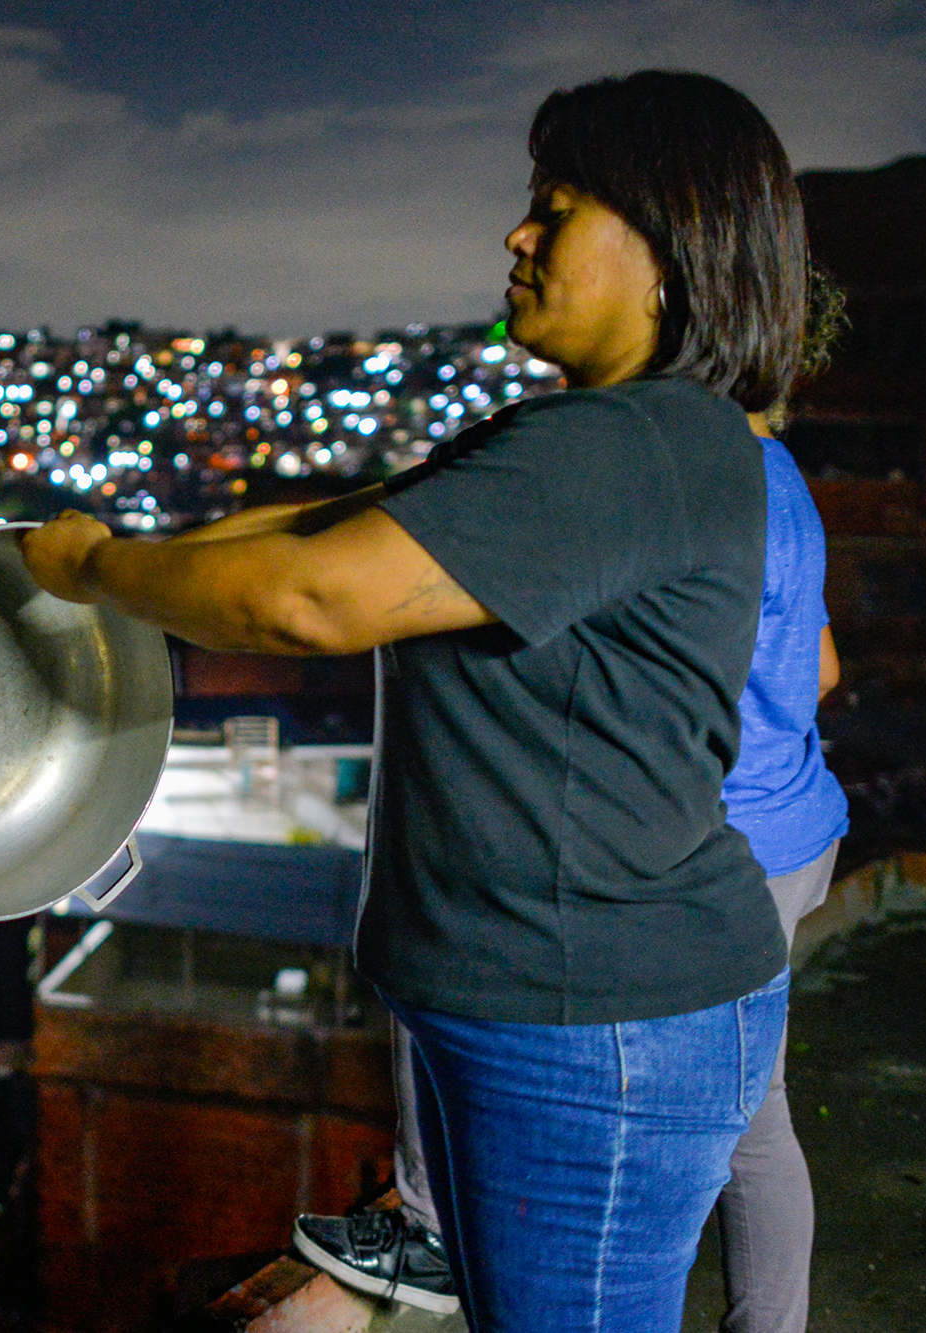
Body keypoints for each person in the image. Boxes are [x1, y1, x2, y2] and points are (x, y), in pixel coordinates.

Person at [21, 70, 810, 1332]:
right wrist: (145, 559)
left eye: (557, 211)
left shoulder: (620, 449)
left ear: (671, 251)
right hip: (545, 1012)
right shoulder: (578, 441)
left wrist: (93, 572)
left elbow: (307, 600)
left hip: (593, 1028)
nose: (516, 237)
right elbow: (310, 527)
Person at [292, 409, 849, 1332]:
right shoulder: (777, 474)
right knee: (758, 1120)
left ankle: (429, 1231)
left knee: (731, 1123)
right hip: (797, 825)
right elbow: (819, 668)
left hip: (719, 842)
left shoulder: (667, 483)